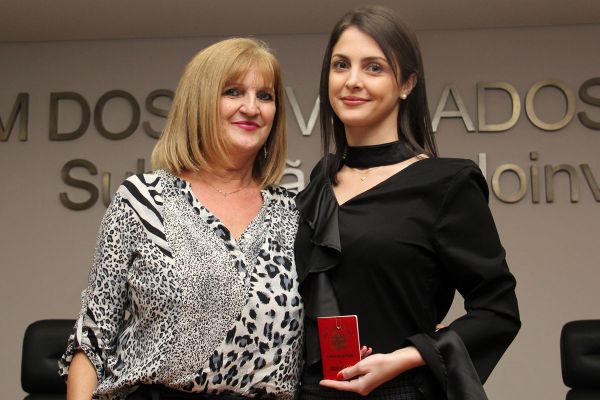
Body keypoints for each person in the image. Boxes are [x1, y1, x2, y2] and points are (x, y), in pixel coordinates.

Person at [294, 6, 520, 400]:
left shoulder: (447, 182)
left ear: (407, 83)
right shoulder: (320, 181)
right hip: (310, 391)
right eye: (341, 65)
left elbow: (497, 311)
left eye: (374, 67)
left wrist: (407, 357)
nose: (352, 81)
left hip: (398, 391)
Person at [59, 38, 303, 400]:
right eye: (233, 91)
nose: (252, 107)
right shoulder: (143, 200)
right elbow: (93, 336)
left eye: (265, 96)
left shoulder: (294, 213)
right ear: (199, 102)